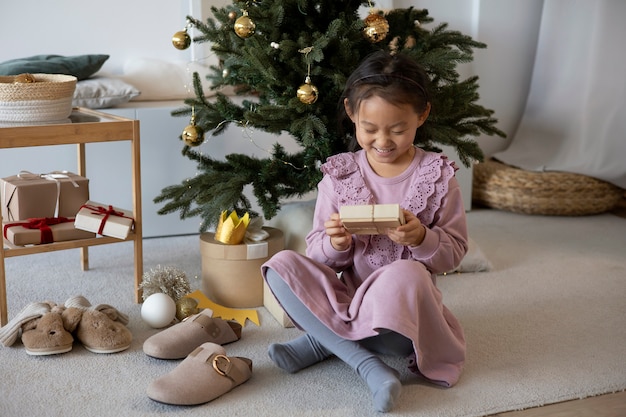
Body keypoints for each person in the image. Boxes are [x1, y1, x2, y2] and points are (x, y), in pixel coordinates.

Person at [262, 50, 468, 413]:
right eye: (369, 129)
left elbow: (454, 251)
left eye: (398, 129)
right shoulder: (339, 175)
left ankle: (324, 343)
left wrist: (422, 239)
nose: (383, 141)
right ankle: (368, 365)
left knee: (406, 271)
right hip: (349, 300)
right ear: (352, 113)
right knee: (280, 265)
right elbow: (317, 254)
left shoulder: (438, 176)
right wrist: (336, 243)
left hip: (403, 326)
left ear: (422, 115)